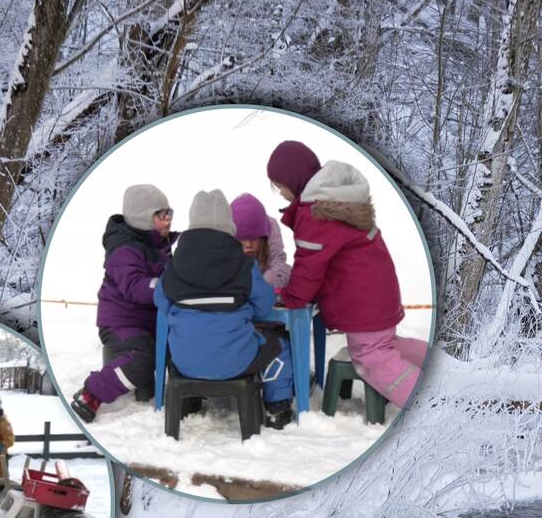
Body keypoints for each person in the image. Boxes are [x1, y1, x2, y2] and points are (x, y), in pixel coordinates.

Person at [266, 140, 427, 407]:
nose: (281, 192)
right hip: (377, 293)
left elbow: (309, 269)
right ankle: (437, 368)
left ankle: (430, 403)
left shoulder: (314, 213)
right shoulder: (335, 200)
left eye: (280, 185)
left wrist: (290, 297)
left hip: (363, 302)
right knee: (385, 345)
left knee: (371, 359)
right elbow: (326, 260)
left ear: (293, 179)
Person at [154, 189, 295, 429]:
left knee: (181, 341)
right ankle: (278, 406)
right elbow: (263, 306)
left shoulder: (174, 265)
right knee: (278, 345)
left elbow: (161, 301)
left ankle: (188, 400)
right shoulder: (244, 265)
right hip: (236, 361)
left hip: (184, 362)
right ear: (230, 227)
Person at [72, 184, 177, 422]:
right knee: (142, 357)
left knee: (181, 340)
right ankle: (92, 394)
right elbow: (135, 287)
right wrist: (169, 285)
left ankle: (188, 395)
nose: (168, 218)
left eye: (169, 212)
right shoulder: (124, 250)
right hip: (121, 324)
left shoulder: (161, 246)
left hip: (152, 323)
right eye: (161, 214)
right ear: (143, 218)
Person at [230, 193, 290, 290]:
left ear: (263, 236)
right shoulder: (224, 240)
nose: (248, 245)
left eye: (254, 238)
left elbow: (278, 261)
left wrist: (266, 283)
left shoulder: (270, 228)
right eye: (242, 239)